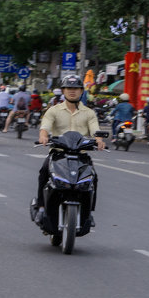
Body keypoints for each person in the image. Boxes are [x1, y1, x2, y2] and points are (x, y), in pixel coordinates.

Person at [33, 74, 105, 228]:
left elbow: (95, 131)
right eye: (69, 88)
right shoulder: (53, 110)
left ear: (81, 91)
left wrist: (99, 140)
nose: (72, 91)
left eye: (76, 88)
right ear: (63, 90)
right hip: (58, 154)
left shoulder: (89, 113)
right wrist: (43, 136)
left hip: (81, 156)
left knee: (94, 179)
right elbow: (45, 126)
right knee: (43, 173)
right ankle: (41, 207)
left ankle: (89, 213)